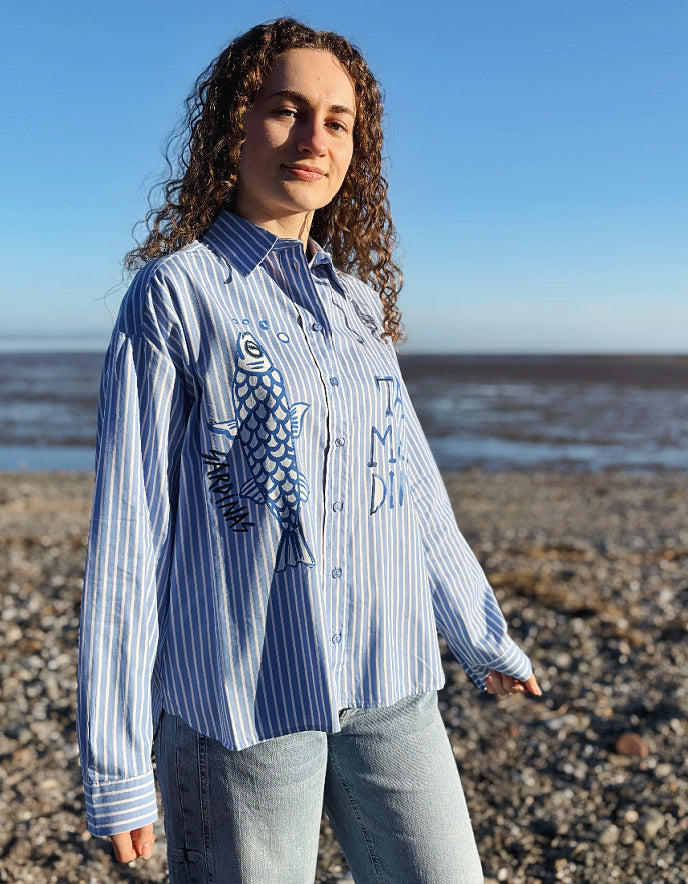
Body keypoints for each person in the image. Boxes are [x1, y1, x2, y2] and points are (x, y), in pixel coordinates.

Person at [77, 17, 541, 883]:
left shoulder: (360, 308)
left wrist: (482, 636)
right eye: (285, 109)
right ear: (233, 124)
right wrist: (116, 768)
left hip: (389, 680)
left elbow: (411, 490)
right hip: (240, 701)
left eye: (337, 121)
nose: (313, 139)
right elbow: (130, 537)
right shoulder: (174, 297)